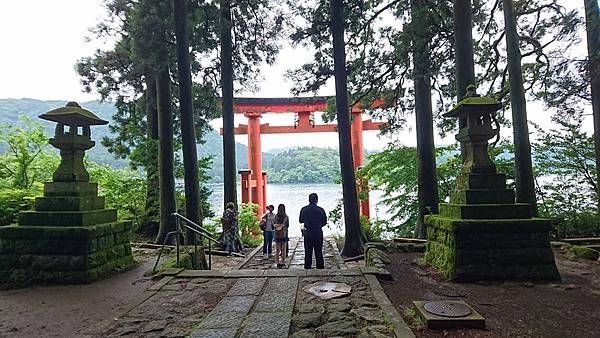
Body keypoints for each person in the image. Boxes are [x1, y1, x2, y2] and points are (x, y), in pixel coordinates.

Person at [299, 193, 327, 269]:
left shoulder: (304, 209)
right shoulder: (321, 210)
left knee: (308, 252)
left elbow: (301, 220)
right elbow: (324, 222)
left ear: (309, 200)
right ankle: (320, 268)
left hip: (308, 233)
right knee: (319, 251)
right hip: (318, 232)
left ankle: (307, 267)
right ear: (317, 200)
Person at [274, 204, 289, 268]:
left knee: (277, 249)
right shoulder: (286, 217)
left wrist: (277, 226)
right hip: (284, 234)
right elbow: (288, 225)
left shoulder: (276, 216)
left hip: (277, 234)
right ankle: (283, 262)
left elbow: (273, 224)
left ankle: (277, 262)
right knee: (283, 249)